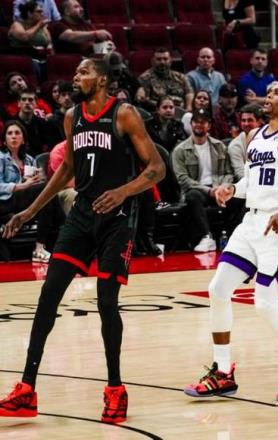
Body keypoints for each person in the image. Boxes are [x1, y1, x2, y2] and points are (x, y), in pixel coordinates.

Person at [0, 58, 166, 423]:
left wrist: (123, 192)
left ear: (102, 80)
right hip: (82, 215)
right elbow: (67, 169)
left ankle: (115, 390)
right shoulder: (72, 116)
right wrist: (29, 211)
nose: (76, 77)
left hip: (117, 220)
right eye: (76, 72)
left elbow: (157, 168)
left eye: (84, 72)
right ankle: (26, 389)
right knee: (48, 296)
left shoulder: (124, 114)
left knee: (107, 302)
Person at [183, 82, 278, 401]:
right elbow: (253, 181)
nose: (270, 96)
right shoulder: (254, 136)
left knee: (265, 302)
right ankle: (222, 372)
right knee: (218, 289)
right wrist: (233, 189)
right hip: (251, 222)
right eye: (269, 91)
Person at [172, 108, 235, 253]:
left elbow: (229, 173)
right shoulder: (180, 150)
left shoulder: (220, 146)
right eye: (196, 121)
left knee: (239, 197)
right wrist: (209, 190)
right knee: (192, 196)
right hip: (198, 190)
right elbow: (183, 179)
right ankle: (207, 237)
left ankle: (235, 238)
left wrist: (222, 187)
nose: (199, 125)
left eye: (203, 122)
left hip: (219, 188)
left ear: (209, 125)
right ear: (191, 124)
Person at [0, 120, 58, 263]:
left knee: (46, 195)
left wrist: (38, 180)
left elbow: (35, 185)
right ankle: (51, 244)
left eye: (17, 133)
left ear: (23, 139)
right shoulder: (1, 158)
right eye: (10, 133)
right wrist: (22, 186)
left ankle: (40, 247)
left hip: (23, 202)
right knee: (46, 190)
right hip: (6, 201)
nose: (14, 136)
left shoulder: (30, 160)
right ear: (5, 140)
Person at [136, 47, 193, 112]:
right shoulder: (145, 78)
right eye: (159, 59)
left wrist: (189, 107)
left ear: (170, 60)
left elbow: (189, 92)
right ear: (152, 61)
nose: (162, 62)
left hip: (181, 112)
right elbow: (144, 100)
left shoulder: (180, 77)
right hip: (157, 112)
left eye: (165, 59)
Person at [227, 103, 263, 181]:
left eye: (250, 120)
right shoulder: (235, 145)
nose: (246, 124)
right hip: (248, 183)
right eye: (243, 120)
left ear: (259, 122)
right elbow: (240, 174)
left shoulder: (268, 140)